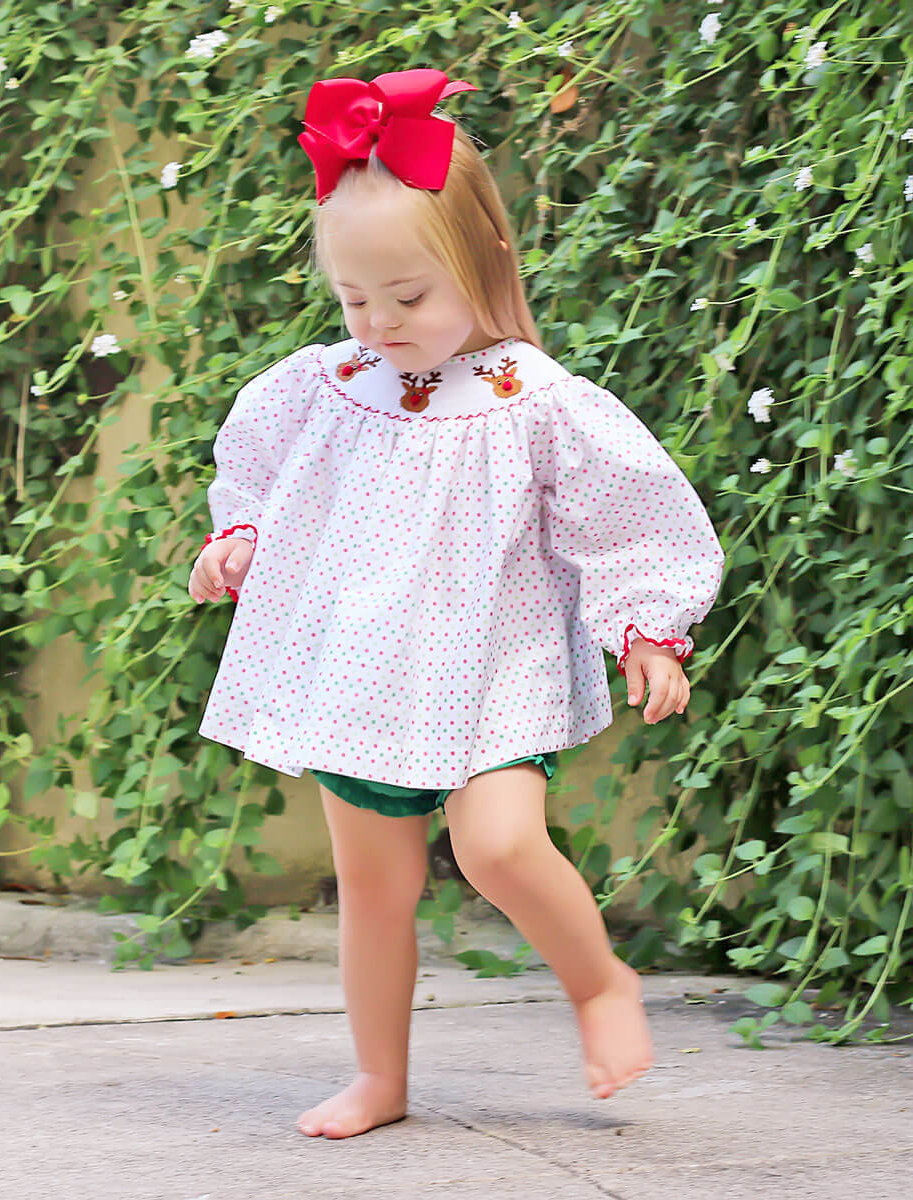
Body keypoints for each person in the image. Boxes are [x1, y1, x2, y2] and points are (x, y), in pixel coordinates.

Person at [187, 68, 726, 1140]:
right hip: (359, 666)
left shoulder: (539, 402)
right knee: (373, 888)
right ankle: (380, 1078)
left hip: (490, 668)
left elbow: (624, 513)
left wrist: (647, 627)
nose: (379, 323)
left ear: (481, 264)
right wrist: (236, 537)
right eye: (355, 299)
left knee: (497, 845)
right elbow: (253, 461)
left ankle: (599, 984)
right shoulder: (325, 383)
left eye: (409, 297)